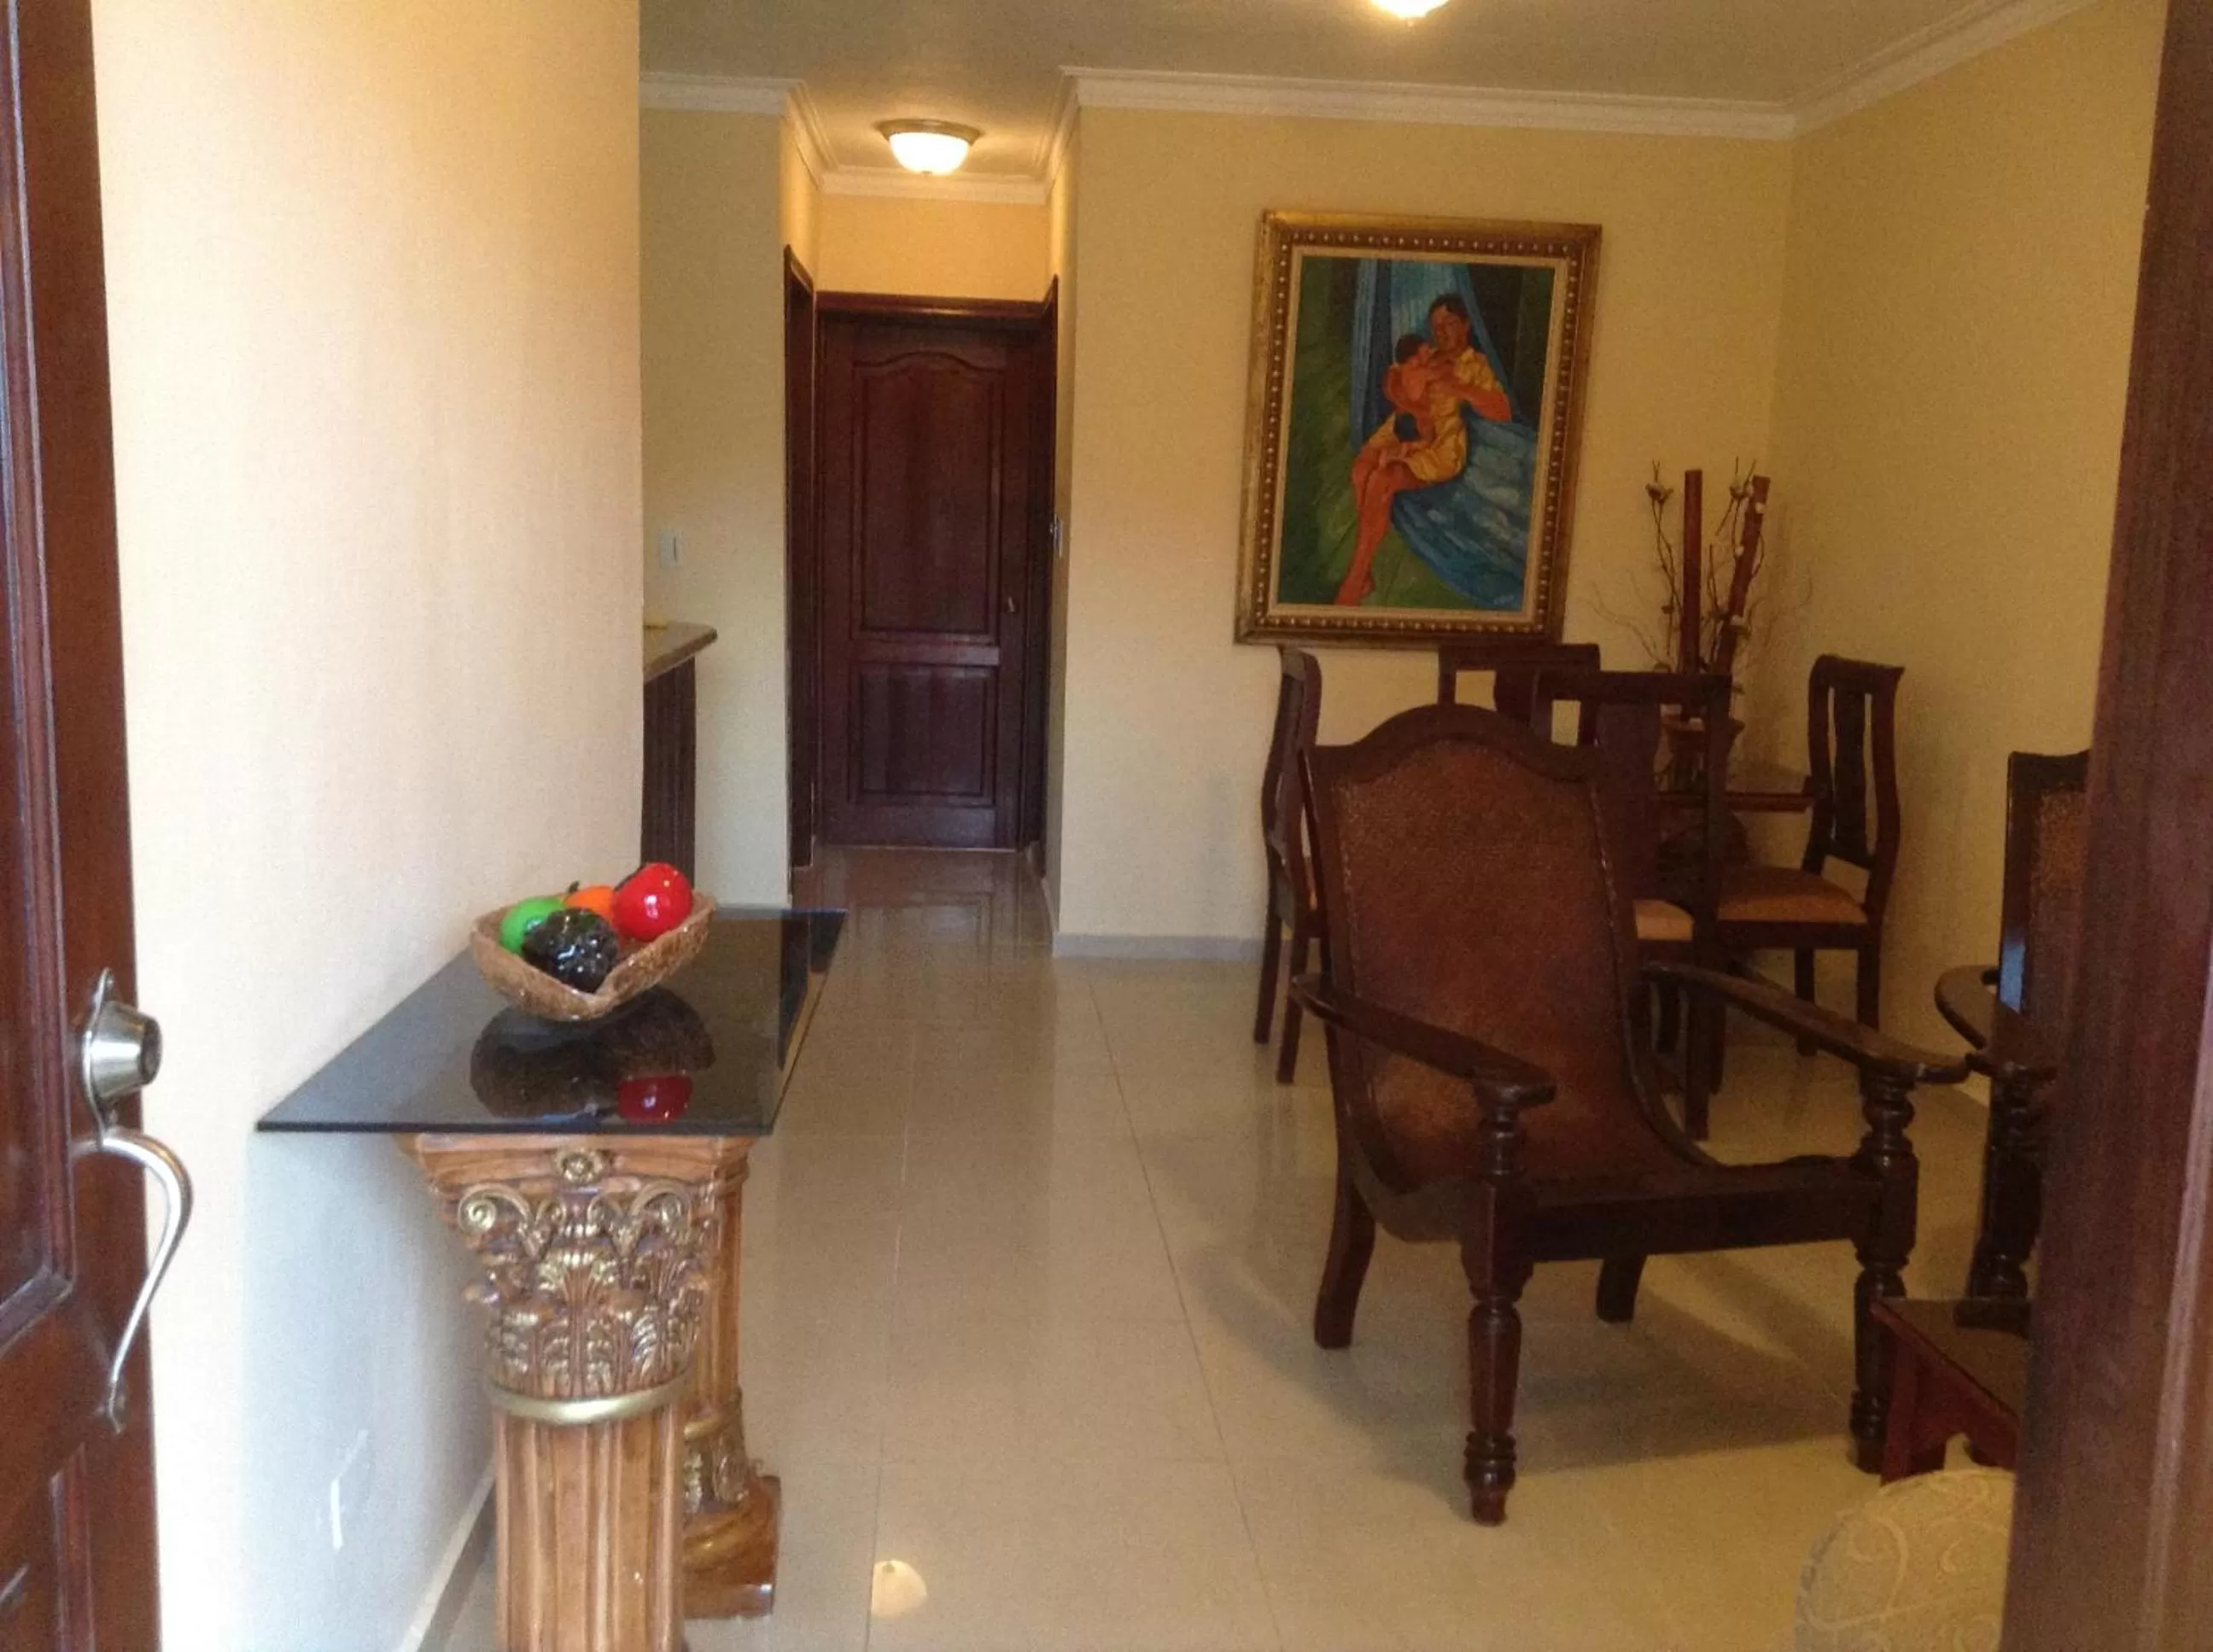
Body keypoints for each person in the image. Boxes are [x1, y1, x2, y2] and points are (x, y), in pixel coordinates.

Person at [1337, 295, 1513, 606]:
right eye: (1436, 326)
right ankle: (1364, 576)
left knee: (1382, 478)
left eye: (1449, 323)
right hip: (1403, 425)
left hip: (1439, 444)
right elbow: (1396, 382)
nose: (1441, 332)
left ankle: (1355, 579)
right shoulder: (1428, 355)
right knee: (1361, 468)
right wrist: (1405, 393)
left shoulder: (1475, 364)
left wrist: (1458, 388)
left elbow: (1502, 411)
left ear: (1466, 324)